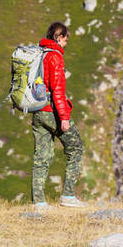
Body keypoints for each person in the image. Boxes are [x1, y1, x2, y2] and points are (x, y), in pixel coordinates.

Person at [31, 22, 87, 209]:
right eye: (65, 39)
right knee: (76, 148)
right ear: (59, 36)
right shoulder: (55, 57)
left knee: (42, 156)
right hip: (52, 112)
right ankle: (68, 196)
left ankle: (39, 201)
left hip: (37, 111)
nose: (66, 43)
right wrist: (64, 117)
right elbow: (57, 90)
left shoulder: (40, 53)